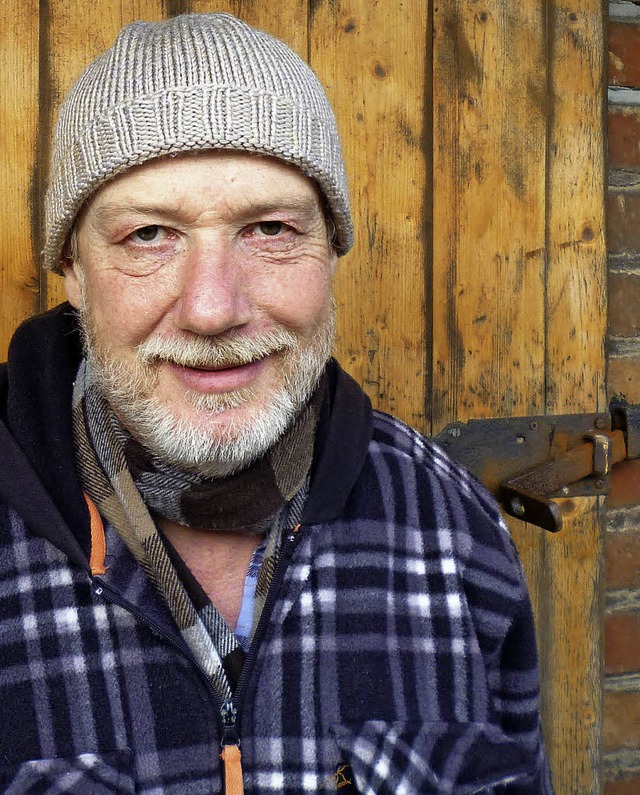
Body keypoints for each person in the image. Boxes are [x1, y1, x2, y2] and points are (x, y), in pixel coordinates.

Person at [0, 12, 553, 794]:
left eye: (268, 228)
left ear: (330, 249)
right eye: (150, 234)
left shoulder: (448, 523)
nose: (212, 308)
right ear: (74, 272)